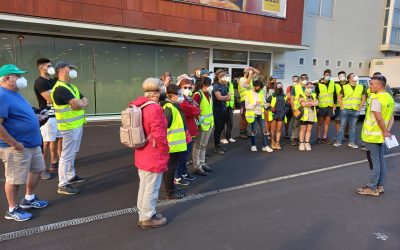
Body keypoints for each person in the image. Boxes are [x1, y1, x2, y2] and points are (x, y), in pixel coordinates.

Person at [0, 64, 48, 221]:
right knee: (14, 179)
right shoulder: (2, 95)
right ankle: (12, 209)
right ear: (7, 78)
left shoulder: (16, 93)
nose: (21, 79)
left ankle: (29, 198)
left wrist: (37, 118)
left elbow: (19, 115)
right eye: (18, 76)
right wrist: (14, 143)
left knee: (37, 169)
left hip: (32, 144)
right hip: (17, 147)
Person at [129, 78, 169, 229]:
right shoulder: (155, 108)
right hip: (153, 153)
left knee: (145, 185)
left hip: (142, 151)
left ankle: (144, 212)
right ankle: (147, 218)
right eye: (162, 88)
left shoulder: (140, 105)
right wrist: (166, 150)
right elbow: (159, 134)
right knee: (152, 187)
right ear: (157, 92)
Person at [51, 61, 89, 195]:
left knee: (73, 152)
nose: (72, 70)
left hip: (76, 125)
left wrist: (80, 103)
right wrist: (79, 103)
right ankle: (63, 183)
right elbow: (78, 102)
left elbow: (85, 101)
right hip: (68, 127)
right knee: (66, 155)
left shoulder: (71, 87)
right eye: (70, 68)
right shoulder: (60, 88)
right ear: (61, 70)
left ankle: (71, 175)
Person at [356, 75, 394, 196]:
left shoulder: (376, 99)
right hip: (381, 136)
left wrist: (384, 130)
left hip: (373, 136)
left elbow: (378, 117)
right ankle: (379, 185)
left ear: (380, 85)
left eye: (372, 84)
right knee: (381, 160)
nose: (369, 85)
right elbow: (391, 117)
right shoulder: (389, 98)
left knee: (375, 162)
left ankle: (372, 187)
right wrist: (387, 131)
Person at [33, 58, 61, 180]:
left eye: (51, 65)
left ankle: (55, 162)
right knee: (46, 142)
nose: (51, 67)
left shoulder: (53, 81)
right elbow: (50, 99)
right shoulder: (40, 82)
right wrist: (65, 99)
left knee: (58, 139)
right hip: (48, 117)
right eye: (48, 66)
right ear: (41, 67)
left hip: (58, 115)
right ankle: (42, 169)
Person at [161, 84, 187, 199]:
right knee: (170, 168)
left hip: (176, 144)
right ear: (172, 95)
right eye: (179, 94)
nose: (181, 96)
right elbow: (164, 127)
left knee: (172, 167)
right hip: (172, 145)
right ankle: (170, 192)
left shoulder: (174, 106)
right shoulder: (168, 108)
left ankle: (171, 187)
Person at [176, 76, 200, 184]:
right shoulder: (182, 101)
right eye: (184, 87)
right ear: (179, 88)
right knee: (182, 156)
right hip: (184, 131)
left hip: (190, 129)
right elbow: (195, 111)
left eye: (190, 87)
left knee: (186, 155)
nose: (187, 90)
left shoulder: (187, 99)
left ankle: (184, 173)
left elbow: (195, 108)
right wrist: (196, 107)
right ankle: (178, 176)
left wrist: (195, 106)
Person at [334, 73, 367, 148]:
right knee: (342, 126)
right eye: (353, 76)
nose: (355, 76)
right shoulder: (345, 87)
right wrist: (342, 106)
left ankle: (352, 142)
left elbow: (363, 98)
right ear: (349, 79)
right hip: (345, 109)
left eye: (355, 75)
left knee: (353, 127)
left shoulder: (361, 87)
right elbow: (339, 97)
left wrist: (359, 108)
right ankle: (338, 141)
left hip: (355, 110)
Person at [192, 77, 214, 176]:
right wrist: (198, 121)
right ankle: (197, 166)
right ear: (205, 85)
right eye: (209, 85)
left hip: (209, 123)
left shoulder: (209, 94)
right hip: (202, 124)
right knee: (198, 146)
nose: (211, 87)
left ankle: (202, 163)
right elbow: (194, 109)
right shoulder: (198, 95)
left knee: (204, 145)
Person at [245, 80, 273, 152]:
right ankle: (253, 145)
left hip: (261, 114)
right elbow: (246, 106)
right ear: (254, 86)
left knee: (264, 130)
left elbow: (264, 103)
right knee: (253, 130)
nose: (260, 89)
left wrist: (267, 105)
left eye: (261, 88)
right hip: (252, 114)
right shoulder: (249, 93)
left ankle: (265, 146)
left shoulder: (260, 92)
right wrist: (255, 103)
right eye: (259, 87)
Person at [212, 69, 230, 155]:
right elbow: (219, 97)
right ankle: (216, 146)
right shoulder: (216, 86)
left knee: (222, 128)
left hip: (223, 109)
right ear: (220, 77)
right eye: (225, 76)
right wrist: (226, 97)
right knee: (218, 129)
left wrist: (225, 97)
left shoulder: (225, 85)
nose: (226, 77)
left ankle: (219, 144)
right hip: (217, 110)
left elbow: (229, 97)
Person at [238, 67, 259, 139]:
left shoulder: (250, 78)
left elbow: (258, 72)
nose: (251, 73)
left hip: (250, 100)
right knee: (243, 116)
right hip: (244, 100)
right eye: (248, 72)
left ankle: (245, 130)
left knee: (247, 115)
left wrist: (252, 68)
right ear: (245, 73)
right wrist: (250, 75)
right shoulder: (242, 79)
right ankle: (242, 131)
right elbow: (247, 84)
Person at [266, 82, 289, 150]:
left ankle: (277, 142)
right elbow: (266, 104)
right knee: (272, 130)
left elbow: (287, 106)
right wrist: (270, 108)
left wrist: (284, 113)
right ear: (275, 88)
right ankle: (272, 142)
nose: (280, 88)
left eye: (281, 86)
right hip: (273, 115)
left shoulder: (284, 96)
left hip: (281, 115)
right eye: (278, 86)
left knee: (279, 130)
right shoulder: (272, 96)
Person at [316, 69, 336, 144]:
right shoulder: (319, 84)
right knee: (320, 122)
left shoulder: (332, 83)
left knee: (327, 122)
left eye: (329, 75)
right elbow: (316, 95)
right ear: (323, 75)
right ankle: (318, 137)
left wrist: (334, 104)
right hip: (321, 106)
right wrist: (317, 107)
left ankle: (324, 137)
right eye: (326, 75)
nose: (327, 76)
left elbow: (334, 94)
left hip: (330, 106)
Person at [298, 82, 319, 151]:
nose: (310, 88)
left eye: (311, 87)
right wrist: (311, 103)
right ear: (306, 87)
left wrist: (308, 103)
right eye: (308, 87)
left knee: (309, 129)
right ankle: (301, 143)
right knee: (303, 130)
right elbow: (303, 104)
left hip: (311, 115)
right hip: (304, 115)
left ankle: (307, 143)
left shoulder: (314, 95)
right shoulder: (301, 95)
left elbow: (317, 103)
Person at [290, 74, 308, 146]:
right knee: (295, 124)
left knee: (303, 124)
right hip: (297, 108)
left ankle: (301, 139)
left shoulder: (309, 87)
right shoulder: (296, 87)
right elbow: (292, 99)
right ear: (300, 79)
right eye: (303, 78)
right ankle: (294, 138)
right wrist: (293, 109)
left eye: (306, 78)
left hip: (306, 109)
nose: (304, 80)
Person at [221, 74, 236, 144]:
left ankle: (229, 136)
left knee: (230, 123)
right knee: (222, 122)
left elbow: (232, 96)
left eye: (228, 77)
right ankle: (223, 137)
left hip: (230, 106)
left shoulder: (231, 85)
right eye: (226, 76)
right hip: (223, 106)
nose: (227, 78)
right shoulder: (221, 85)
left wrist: (233, 105)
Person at [334, 71, 347, 142]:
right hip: (338, 106)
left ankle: (345, 134)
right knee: (338, 121)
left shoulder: (349, 84)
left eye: (343, 75)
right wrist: (334, 104)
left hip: (347, 106)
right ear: (338, 77)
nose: (342, 77)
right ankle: (338, 135)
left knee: (346, 122)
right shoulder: (336, 85)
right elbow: (334, 95)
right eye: (340, 76)